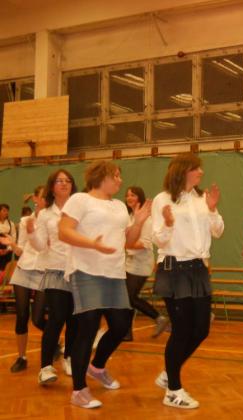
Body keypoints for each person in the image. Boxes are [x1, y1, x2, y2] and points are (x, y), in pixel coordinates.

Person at [59, 161, 151, 409]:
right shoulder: (80, 200)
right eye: (116, 176)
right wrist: (93, 244)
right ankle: (79, 390)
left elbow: (128, 241)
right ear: (102, 177)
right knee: (87, 329)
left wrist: (139, 222)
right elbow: (64, 231)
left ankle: (97, 367)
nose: (120, 180)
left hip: (114, 273)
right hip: (86, 271)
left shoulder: (119, 206)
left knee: (121, 326)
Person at [151, 153, 224, 409]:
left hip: (198, 268)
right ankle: (173, 391)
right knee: (181, 330)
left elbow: (218, 231)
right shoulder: (162, 199)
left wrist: (212, 209)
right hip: (174, 267)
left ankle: (169, 372)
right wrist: (169, 224)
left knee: (201, 329)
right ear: (182, 171)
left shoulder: (202, 199)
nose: (201, 172)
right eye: (196, 168)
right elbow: (158, 239)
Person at [28, 170, 78, 384]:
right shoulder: (45, 214)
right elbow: (40, 246)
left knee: (74, 320)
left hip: (77, 271)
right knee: (57, 317)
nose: (64, 184)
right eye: (59, 181)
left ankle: (69, 358)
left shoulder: (79, 210)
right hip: (55, 270)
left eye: (68, 180)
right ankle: (45, 367)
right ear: (52, 186)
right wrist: (31, 233)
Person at [1, 187, 48, 373]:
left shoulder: (53, 220)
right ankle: (22, 357)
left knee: (38, 319)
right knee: (21, 316)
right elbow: (20, 251)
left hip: (43, 272)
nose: (43, 199)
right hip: (23, 271)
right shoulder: (24, 221)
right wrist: (12, 244)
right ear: (35, 198)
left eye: (47, 197)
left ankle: (54, 341)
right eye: (41, 196)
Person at [124, 186, 168, 340]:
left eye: (133, 195)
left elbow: (145, 243)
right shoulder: (129, 216)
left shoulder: (147, 219)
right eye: (127, 195)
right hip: (129, 262)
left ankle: (158, 317)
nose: (129, 198)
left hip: (142, 263)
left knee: (130, 297)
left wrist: (124, 244)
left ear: (140, 197)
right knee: (127, 298)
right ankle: (127, 333)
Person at [0, 203, 17, 271]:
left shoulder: (11, 223)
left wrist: (8, 249)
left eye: (7, 211)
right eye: (4, 210)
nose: (6, 212)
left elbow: (14, 237)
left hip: (8, 251)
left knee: (6, 269)